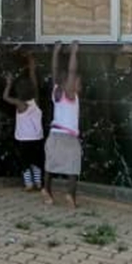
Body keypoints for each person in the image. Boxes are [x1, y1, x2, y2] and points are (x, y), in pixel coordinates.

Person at [43, 40, 82, 207]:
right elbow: (72, 70)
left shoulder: (56, 91)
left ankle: (47, 191)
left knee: (50, 166)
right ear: (70, 83)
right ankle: (70, 196)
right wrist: (74, 52)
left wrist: (55, 52)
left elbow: (54, 71)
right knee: (73, 167)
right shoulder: (69, 93)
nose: (79, 84)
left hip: (54, 135)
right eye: (77, 82)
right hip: (68, 137)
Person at [2, 52, 44, 192]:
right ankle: (38, 183)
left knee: (25, 162)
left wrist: (9, 83)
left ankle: (29, 184)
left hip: (24, 140)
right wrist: (32, 68)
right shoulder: (36, 101)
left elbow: (6, 97)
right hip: (37, 138)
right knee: (36, 161)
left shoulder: (20, 104)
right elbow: (35, 84)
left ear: (19, 93)